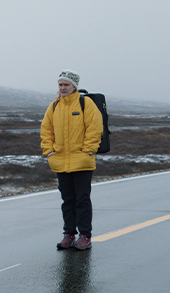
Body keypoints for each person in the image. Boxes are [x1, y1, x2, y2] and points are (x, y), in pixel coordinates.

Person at [40, 69, 103, 250]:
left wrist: (88, 151)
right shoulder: (54, 106)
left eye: (66, 84)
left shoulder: (86, 104)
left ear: (74, 86)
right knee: (67, 200)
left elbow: (94, 127)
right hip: (60, 162)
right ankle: (68, 234)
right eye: (60, 84)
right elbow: (46, 130)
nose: (63, 88)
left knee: (82, 199)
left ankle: (85, 236)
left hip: (82, 161)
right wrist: (49, 152)